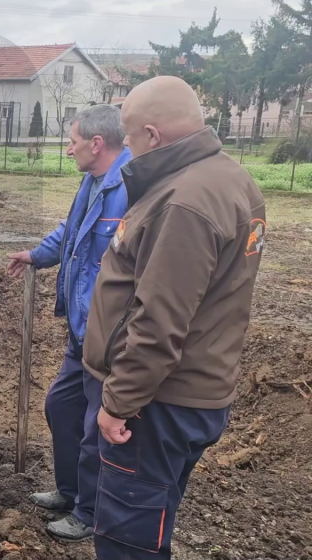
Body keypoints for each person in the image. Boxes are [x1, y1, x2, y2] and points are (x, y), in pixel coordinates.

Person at [84, 76, 265, 559]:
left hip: (157, 404)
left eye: (131, 137)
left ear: (152, 135)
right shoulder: (229, 177)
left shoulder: (184, 201)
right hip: (194, 391)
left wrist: (118, 403)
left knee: (128, 537)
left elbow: (159, 321)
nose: (129, 150)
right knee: (153, 515)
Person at [6, 104, 131, 542]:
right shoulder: (92, 182)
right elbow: (72, 230)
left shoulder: (134, 188)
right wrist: (37, 255)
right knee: (61, 406)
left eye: (72, 141)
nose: (67, 149)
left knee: (97, 426)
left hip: (111, 334)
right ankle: (70, 490)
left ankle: (91, 512)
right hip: (82, 331)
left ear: (97, 144)